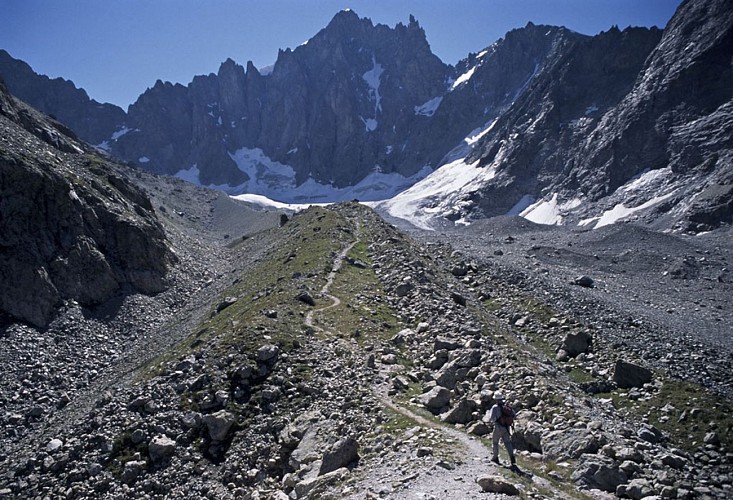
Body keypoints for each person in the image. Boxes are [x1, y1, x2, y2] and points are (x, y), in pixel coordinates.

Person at [488, 390, 516, 467]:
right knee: (507, 443)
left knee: (495, 442)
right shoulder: (507, 406)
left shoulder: (495, 407)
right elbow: (514, 415)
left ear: (496, 399)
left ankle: (495, 457)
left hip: (498, 427)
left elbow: (492, 418)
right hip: (507, 427)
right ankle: (512, 458)